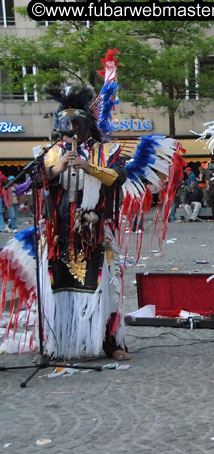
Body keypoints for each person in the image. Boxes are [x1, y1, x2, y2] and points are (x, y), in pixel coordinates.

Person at [41, 84, 130, 360]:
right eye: (66, 126)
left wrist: (89, 168)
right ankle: (58, 343)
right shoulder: (53, 151)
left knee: (103, 288)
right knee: (57, 288)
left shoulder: (105, 151)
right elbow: (37, 180)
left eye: (75, 125)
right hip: (60, 232)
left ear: (85, 126)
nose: (71, 131)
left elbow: (118, 176)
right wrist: (58, 167)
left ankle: (109, 342)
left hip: (93, 229)